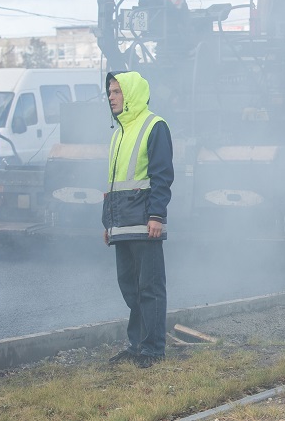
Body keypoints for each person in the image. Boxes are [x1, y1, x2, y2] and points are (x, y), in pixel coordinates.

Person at [103, 71, 174, 369]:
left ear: (130, 95)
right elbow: (112, 182)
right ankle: (138, 345)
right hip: (122, 225)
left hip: (145, 223)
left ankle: (153, 350)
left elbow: (161, 176)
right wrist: (107, 223)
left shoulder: (154, 126)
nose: (111, 97)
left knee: (150, 287)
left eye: (117, 91)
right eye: (109, 92)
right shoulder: (119, 131)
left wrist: (157, 216)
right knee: (130, 287)